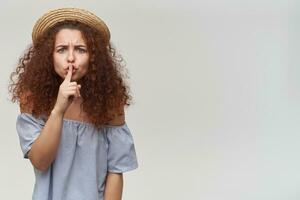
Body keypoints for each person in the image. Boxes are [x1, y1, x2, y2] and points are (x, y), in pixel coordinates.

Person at [8, 7, 138, 200]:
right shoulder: (33, 97)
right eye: (61, 50)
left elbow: (115, 171)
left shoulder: (108, 101)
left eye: (80, 49)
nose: (71, 58)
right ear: (49, 56)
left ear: (93, 57)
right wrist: (59, 109)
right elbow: (40, 161)